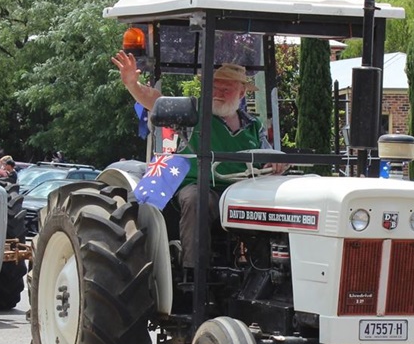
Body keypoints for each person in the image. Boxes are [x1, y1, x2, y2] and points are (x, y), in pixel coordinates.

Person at [112, 49, 286, 273]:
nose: (218, 93)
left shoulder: (254, 127)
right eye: (214, 86)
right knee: (197, 198)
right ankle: (194, 276)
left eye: (226, 88)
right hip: (201, 187)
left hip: (241, 192)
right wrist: (133, 85)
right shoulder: (192, 114)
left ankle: (267, 270)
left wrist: (278, 162)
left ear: (241, 93)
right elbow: (157, 102)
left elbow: (268, 159)